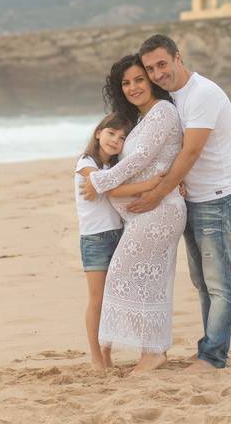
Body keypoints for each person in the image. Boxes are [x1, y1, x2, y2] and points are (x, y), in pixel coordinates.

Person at [130, 34, 231, 371]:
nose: (156, 73)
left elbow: (190, 151)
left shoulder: (202, 93)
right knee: (202, 282)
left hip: (217, 199)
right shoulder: (170, 97)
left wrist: (156, 193)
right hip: (192, 199)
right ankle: (209, 347)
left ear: (178, 58)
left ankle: (213, 356)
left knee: (220, 282)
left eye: (162, 64)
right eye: (150, 68)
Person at [81, 54, 186, 374]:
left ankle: (153, 353)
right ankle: (153, 352)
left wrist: (99, 182)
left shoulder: (163, 112)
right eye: (126, 83)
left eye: (139, 79)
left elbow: (139, 159)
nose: (133, 87)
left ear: (151, 80)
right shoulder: (140, 120)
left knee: (122, 278)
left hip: (159, 210)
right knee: (148, 284)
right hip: (144, 213)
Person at [74, 112, 166, 370]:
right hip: (95, 239)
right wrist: (150, 184)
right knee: (98, 299)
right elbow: (106, 186)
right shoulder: (86, 162)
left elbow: (111, 183)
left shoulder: (117, 167)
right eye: (111, 133)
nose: (115, 140)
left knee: (115, 298)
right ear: (98, 133)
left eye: (122, 137)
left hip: (120, 234)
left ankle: (107, 351)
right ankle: (96, 357)